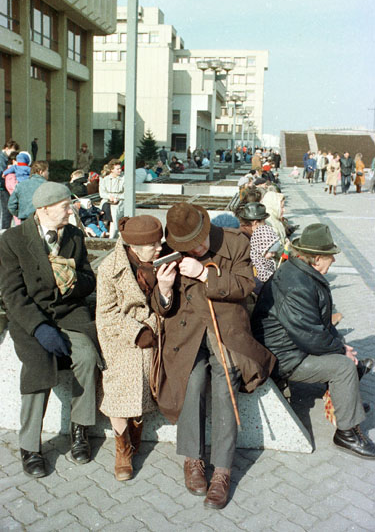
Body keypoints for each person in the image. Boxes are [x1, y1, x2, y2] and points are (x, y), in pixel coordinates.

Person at [153, 203, 275, 509]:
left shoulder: (235, 242)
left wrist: (205, 276)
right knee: (191, 381)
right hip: (188, 335)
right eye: (187, 247)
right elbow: (162, 307)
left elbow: (246, 286)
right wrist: (165, 289)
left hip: (226, 331)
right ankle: (193, 459)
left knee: (224, 384)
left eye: (199, 242)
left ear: (207, 228)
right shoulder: (171, 251)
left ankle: (222, 470)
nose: (195, 249)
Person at [0, 182, 103, 478]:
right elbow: (12, 295)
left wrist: (73, 280)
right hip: (33, 320)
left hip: (70, 315)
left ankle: (80, 431)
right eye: (65, 206)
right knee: (38, 364)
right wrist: (41, 327)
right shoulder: (13, 240)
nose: (71, 210)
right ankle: (30, 446)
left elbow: (88, 279)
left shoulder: (73, 235)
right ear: (44, 210)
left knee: (86, 356)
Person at [251, 223, 375, 459]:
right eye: (331, 257)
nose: (334, 262)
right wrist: (340, 350)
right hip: (283, 358)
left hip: (289, 348)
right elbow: (310, 335)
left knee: (343, 354)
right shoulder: (297, 283)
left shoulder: (299, 273)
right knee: (344, 367)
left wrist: (339, 344)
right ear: (317, 259)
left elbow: (315, 325)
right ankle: (347, 433)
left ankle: (347, 403)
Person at [96, 215, 163, 480]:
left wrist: (150, 327)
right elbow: (106, 313)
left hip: (152, 331)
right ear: (135, 246)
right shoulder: (110, 267)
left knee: (145, 371)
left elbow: (167, 305)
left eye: (160, 243)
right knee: (121, 381)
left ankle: (136, 432)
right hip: (119, 336)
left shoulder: (162, 263)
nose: (160, 248)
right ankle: (123, 447)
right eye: (154, 245)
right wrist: (136, 332)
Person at [235, 202, 279, 293]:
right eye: (263, 222)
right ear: (255, 223)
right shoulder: (245, 239)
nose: (265, 225)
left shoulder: (246, 233)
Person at [99, 159, 124, 238]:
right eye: (117, 169)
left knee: (114, 213)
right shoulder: (105, 179)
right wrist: (109, 197)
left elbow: (126, 193)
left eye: (120, 168)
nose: (120, 170)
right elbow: (102, 193)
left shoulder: (124, 178)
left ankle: (111, 235)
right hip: (107, 200)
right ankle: (103, 232)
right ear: (111, 170)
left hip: (120, 201)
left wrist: (117, 197)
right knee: (104, 208)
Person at [0, 139, 19, 229]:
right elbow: (2, 174)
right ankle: (5, 231)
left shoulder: (5, 158)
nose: (13, 154)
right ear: (7, 148)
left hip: (4, 187)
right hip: (2, 188)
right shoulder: (1, 158)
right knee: (7, 210)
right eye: (13, 151)